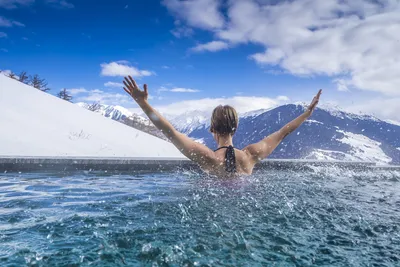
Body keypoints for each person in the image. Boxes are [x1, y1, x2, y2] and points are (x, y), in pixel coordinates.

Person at [123, 76, 322, 177]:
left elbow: (169, 131)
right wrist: (307, 113)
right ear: (235, 128)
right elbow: (282, 132)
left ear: (212, 129)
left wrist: (143, 103)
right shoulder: (251, 155)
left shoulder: (207, 157)